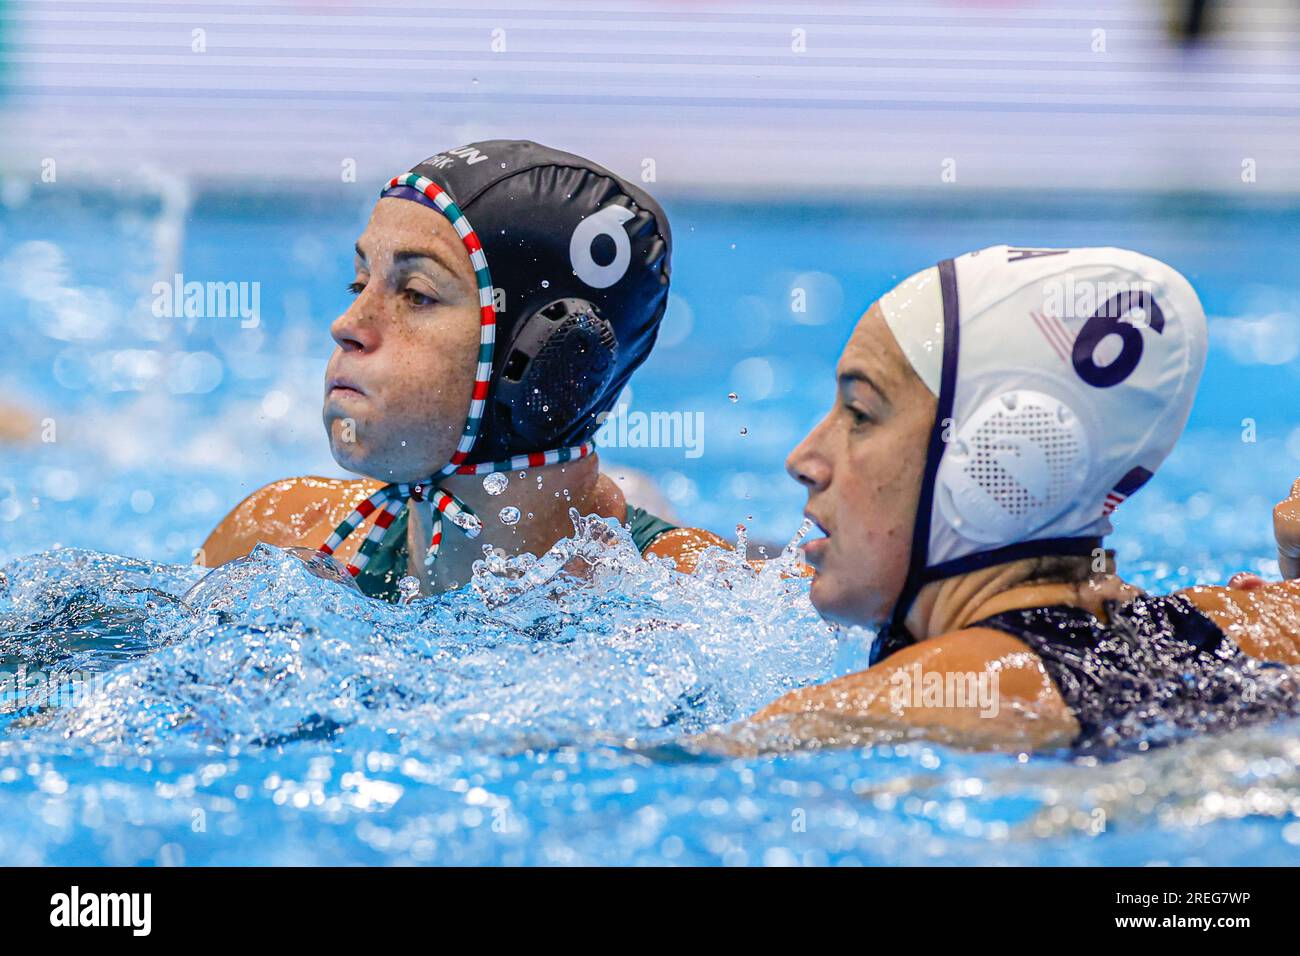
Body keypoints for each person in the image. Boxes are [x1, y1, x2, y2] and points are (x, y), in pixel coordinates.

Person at [742, 246, 1300, 752]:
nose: (804, 459)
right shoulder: (1239, 625)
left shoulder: (875, 712)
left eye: (860, 413)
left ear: (1000, 460)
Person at [200, 141, 722, 598]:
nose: (348, 324)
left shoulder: (692, 600)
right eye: (359, 285)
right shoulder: (277, 532)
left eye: (416, 294)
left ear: (547, 357)